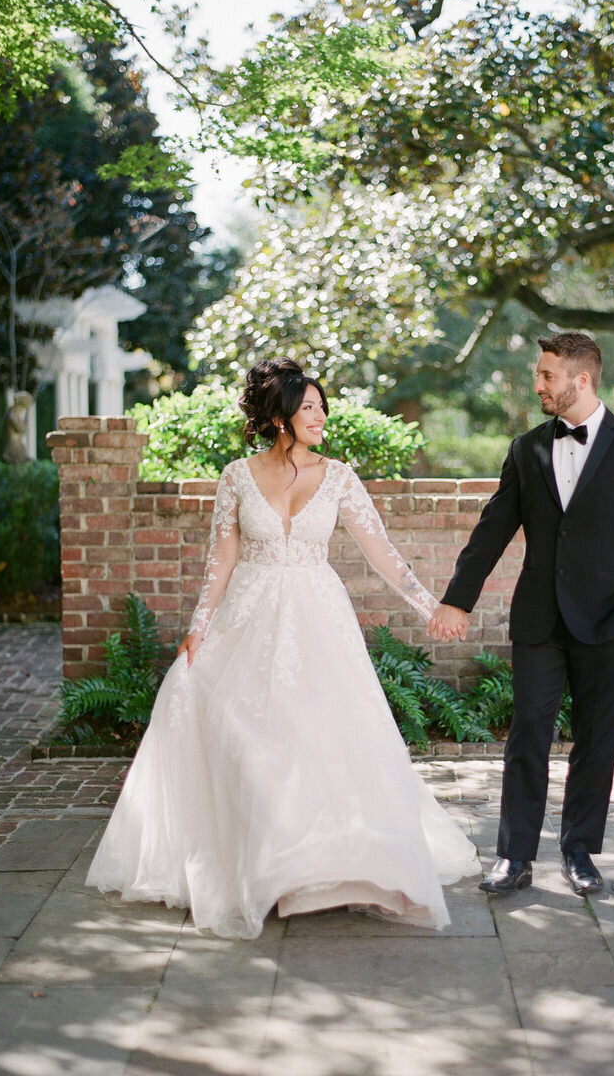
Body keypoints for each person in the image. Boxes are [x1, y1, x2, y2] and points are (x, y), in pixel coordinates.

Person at [87, 357, 478, 938]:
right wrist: (198, 626)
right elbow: (221, 560)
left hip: (318, 618)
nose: (321, 416)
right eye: (309, 407)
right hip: (248, 615)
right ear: (279, 418)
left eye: (323, 406)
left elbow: (383, 554)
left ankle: (330, 868)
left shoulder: (341, 477)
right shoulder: (236, 477)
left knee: (323, 735)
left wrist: (432, 607)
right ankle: (269, 868)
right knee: (248, 736)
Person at [428, 333, 614, 897]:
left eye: (546, 375)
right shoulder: (527, 448)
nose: (537, 385)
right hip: (540, 620)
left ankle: (580, 850)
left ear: (580, 379)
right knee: (528, 736)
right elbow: (493, 528)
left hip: (611, 622)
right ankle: (513, 857)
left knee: (597, 741)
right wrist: (456, 598)